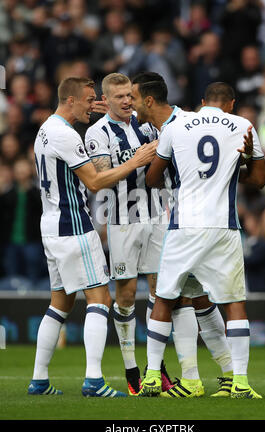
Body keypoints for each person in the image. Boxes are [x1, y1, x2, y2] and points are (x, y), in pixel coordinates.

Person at [28, 76, 156, 397]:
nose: (93, 105)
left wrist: (101, 115)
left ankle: (39, 379)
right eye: (88, 100)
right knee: (100, 300)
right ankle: (94, 381)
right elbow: (96, 182)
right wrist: (136, 160)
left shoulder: (45, 129)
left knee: (60, 303)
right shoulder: (66, 136)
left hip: (50, 226)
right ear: (71, 100)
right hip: (73, 227)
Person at [130, 72, 255, 398]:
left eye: (133, 97)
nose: (130, 105)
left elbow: (154, 179)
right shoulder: (157, 126)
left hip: (183, 222)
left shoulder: (180, 124)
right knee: (199, 298)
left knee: (177, 298)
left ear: (148, 99)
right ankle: (221, 376)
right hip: (208, 222)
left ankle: (188, 378)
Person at [84, 72, 172, 396]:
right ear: (106, 99)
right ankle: (131, 367)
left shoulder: (146, 125)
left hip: (156, 214)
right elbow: (100, 178)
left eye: (129, 96)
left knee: (160, 289)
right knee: (125, 293)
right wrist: (137, 161)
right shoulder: (97, 133)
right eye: (119, 97)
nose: (126, 101)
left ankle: (155, 367)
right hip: (122, 220)